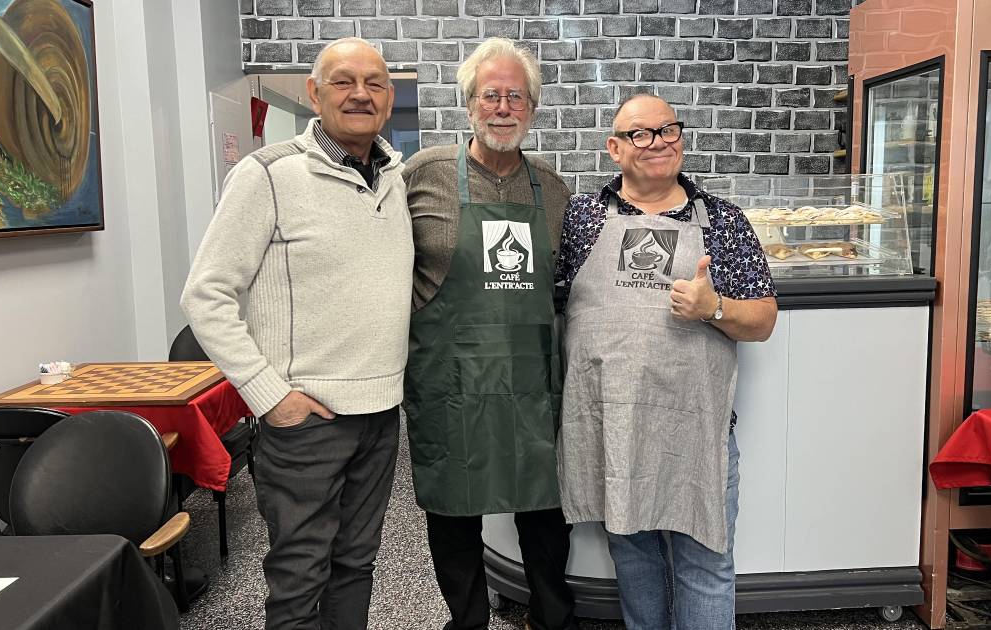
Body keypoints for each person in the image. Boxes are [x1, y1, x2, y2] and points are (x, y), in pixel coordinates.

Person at [180, 38, 412, 630]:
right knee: (299, 577)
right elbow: (205, 295)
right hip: (305, 423)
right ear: (314, 93)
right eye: (343, 81)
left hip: (380, 415)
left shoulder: (395, 179)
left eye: (375, 83)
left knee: (356, 564)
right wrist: (269, 396)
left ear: (389, 98)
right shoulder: (268, 175)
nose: (360, 94)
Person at [555, 94, 778, 630]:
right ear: (614, 148)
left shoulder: (723, 220)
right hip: (613, 428)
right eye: (640, 133)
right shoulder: (583, 218)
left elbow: (764, 320)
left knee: (705, 564)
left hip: (695, 431)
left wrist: (714, 307)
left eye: (668, 130)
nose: (657, 143)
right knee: (633, 558)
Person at [402, 37, 577, 630]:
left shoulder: (552, 189)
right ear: (469, 103)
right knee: (453, 514)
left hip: (531, 383)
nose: (503, 107)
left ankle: (553, 618)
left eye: (516, 96)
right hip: (450, 380)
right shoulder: (423, 176)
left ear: (533, 107)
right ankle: (468, 620)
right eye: (490, 95)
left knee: (546, 515)